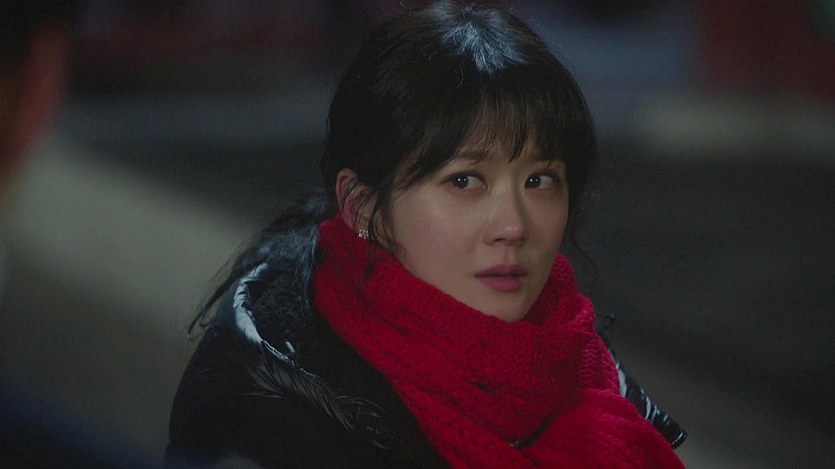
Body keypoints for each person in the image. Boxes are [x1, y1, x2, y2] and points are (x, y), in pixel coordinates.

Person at [167, 1, 686, 467]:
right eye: (465, 181)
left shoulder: (581, 364)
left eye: (539, 180)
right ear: (363, 206)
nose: (513, 226)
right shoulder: (269, 417)